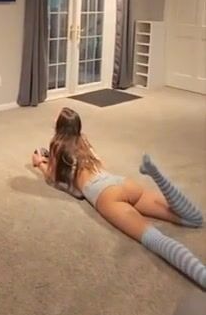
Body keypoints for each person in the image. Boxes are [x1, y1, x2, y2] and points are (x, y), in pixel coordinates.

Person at [33, 107, 206, 289]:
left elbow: (54, 179)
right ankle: (157, 176)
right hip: (120, 181)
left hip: (103, 193)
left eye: (56, 117)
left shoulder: (56, 145)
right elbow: (99, 162)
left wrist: (40, 164)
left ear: (60, 125)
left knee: (156, 239)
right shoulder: (83, 140)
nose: (53, 118)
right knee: (194, 219)